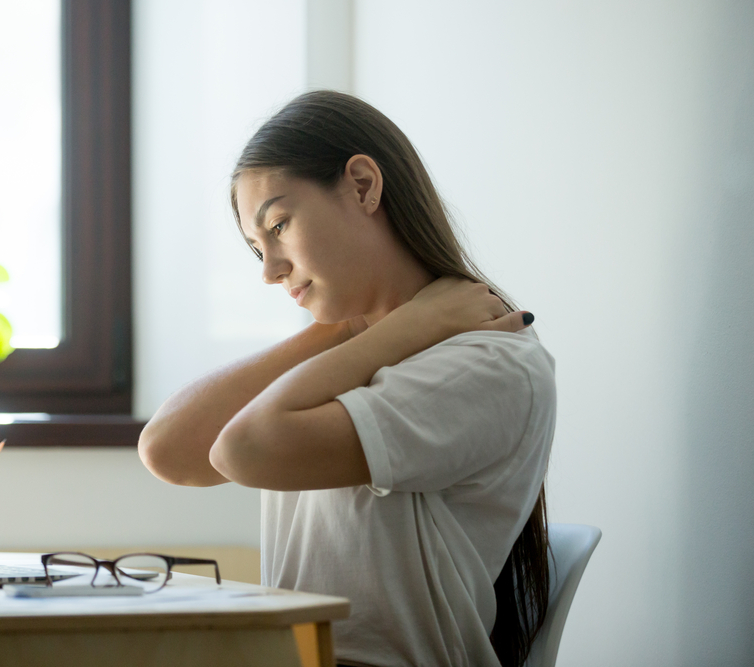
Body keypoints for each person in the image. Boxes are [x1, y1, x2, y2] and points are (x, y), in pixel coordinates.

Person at [138, 91, 555, 667]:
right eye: (257, 248)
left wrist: (398, 328)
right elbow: (168, 450)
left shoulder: (491, 362)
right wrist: (361, 329)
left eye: (279, 224)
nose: (268, 270)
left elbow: (244, 448)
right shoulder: (360, 354)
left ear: (363, 185)